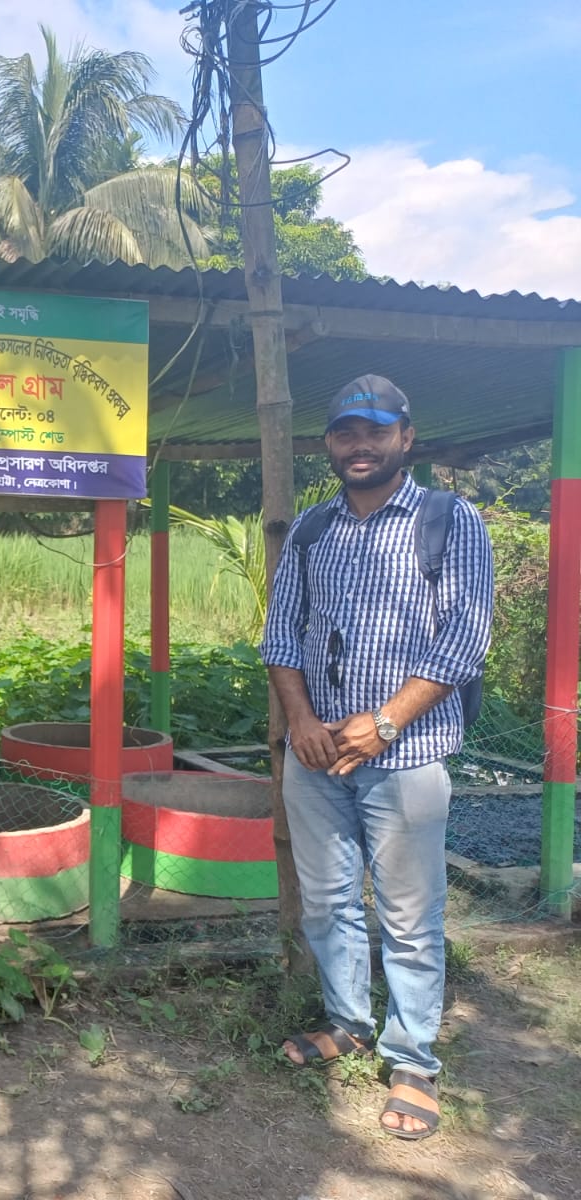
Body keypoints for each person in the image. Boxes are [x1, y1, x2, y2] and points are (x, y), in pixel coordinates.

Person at [260, 375, 492, 1141]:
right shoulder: (312, 528)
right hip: (317, 753)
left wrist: (385, 723)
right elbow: (281, 634)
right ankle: (349, 1024)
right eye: (345, 432)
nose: (359, 445)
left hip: (407, 754)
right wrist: (300, 721)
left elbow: (464, 639)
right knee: (328, 901)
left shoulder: (449, 519)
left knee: (410, 914)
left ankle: (414, 1060)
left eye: (375, 431)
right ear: (329, 444)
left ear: (405, 438)